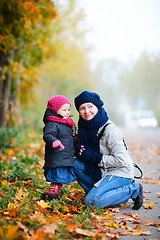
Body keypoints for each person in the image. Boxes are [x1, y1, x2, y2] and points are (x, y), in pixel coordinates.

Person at [73, 91, 143, 210]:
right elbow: (83, 150)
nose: (86, 111)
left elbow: (120, 160)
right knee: (72, 164)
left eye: (90, 106)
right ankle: (102, 195)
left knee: (91, 203)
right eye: (82, 108)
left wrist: (90, 156)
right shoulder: (84, 127)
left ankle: (133, 189)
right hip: (101, 170)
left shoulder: (110, 130)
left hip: (119, 172)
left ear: (98, 106)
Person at [43, 95, 77, 199]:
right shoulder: (52, 123)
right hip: (57, 156)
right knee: (57, 176)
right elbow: (48, 135)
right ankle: (52, 194)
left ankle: (59, 192)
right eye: (64, 110)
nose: (68, 112)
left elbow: (69, 138)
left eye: (69, 110)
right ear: (55, 111)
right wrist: (54, 141)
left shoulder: (68, 124)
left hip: (65, 156)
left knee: (62, 176)